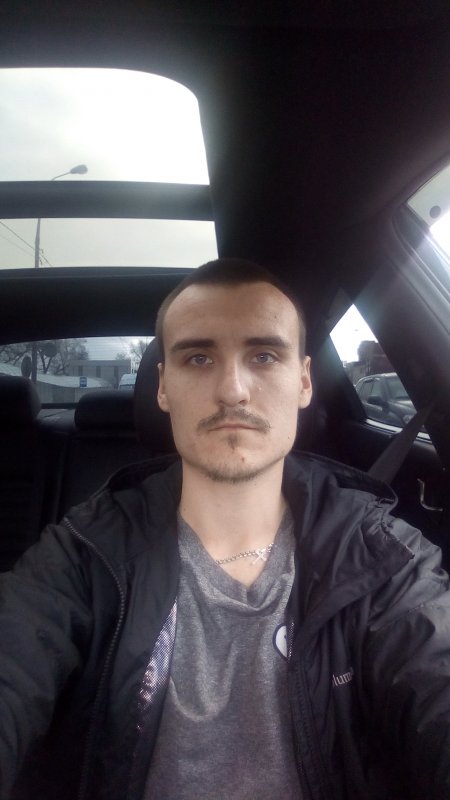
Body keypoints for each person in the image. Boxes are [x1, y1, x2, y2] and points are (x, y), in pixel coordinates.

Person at [1, 258, 450, 800]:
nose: (233, 390)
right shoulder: (85, 555)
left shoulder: (381, 558)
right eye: (198, 357)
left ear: (303, 381)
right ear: (163, 387)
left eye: (264, 355)